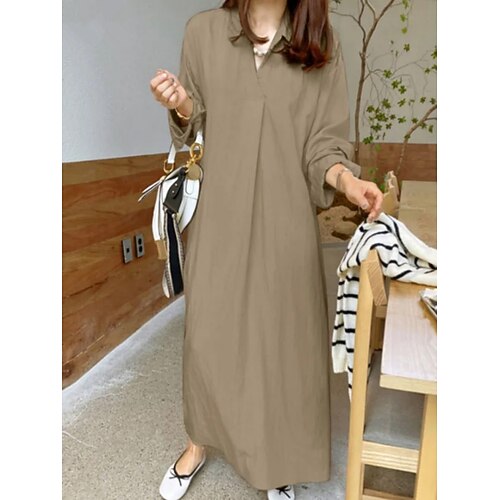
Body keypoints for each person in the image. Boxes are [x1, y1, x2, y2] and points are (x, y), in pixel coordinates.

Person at [149, 1, 383, 498]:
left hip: (285, 216)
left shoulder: (320, 44)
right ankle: (198, 442)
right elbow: (194, 123)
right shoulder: (203, 32)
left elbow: (323, 144)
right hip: (219, 213)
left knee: (280, 342)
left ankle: (277, 462)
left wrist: (347, 181)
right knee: (208, 334)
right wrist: (182, 104)